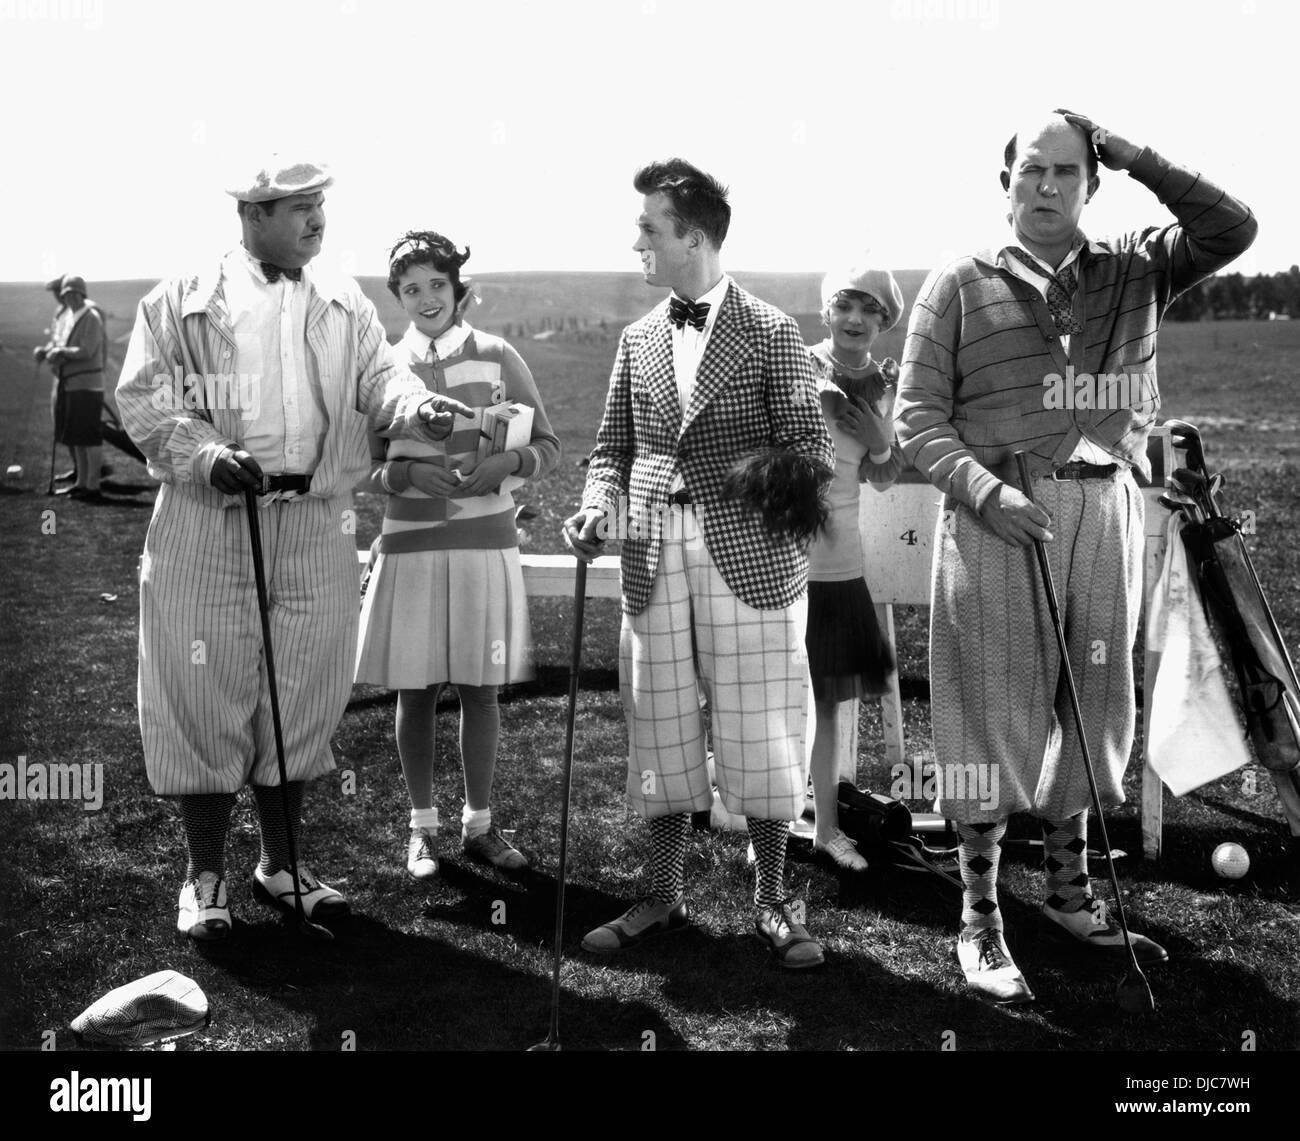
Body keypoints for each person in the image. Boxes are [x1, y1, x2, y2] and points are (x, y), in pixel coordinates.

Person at [895, 110, 1257, 1002]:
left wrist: (1133, 153)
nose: (1046, 186)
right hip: (995, 518)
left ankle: (1067, 892)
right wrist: (986, 492)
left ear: (1093, 185)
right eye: (1030, 171)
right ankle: (979, 920)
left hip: (1105, 508)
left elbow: (1232, 227)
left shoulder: (1135, 267)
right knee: (985, 717)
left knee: (1095, 710)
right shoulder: (959, 282)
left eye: (1067, 171)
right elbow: (914, 420)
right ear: (1005, 182)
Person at [116, 158, 473, 941]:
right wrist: (205, 452)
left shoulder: (342, 300)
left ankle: (283, 865)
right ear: (252, 212)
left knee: (304, 689)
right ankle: (203, 875)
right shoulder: (179, 301)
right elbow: (143, 396)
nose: (317, 220)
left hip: (316, 518)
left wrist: (420, 405)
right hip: (209, 514)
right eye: (299, 206)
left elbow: (382, 381)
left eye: (320, 205)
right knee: (197, 689)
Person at [563, 159, 835, 969]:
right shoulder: (638, 337)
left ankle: (774, 899)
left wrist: (727, 484)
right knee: (662, 730)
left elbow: (813, 449)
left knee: (761, 734)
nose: (636, 241)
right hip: (650, 556)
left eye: (649, 227)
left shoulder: (773, 331)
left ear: (696, 236)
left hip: (748, 555)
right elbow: (613, 450)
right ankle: (660, 893)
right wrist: (595, 510)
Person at [355, 230, 560, 878]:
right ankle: (421, 829)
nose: (425, 298)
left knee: (480, 689)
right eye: (410, 288)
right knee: (414, 693)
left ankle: (479, 824)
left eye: (436, 285)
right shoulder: (383, 366)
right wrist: (408, 478)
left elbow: (548, 445)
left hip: (484, 544)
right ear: (397, 298)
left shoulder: (499, 355)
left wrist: (507, 459)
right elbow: (358, 466)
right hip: (410, 545)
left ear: (457, 289)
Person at [803, 264, 905, 871]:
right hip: (779, 549)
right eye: (846, 306)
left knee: (824, 701)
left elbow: (884, 476)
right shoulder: (799, 362)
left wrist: (881, 437)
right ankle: (757, 811)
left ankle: (826, 832)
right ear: (828, 311)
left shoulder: (885, 384)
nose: (856, 321)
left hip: (838, 560)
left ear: (885, 321)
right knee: (768, 692)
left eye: (871, 311)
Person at [37, 275, 107, 500]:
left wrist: (62, 353)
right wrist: (54, 351)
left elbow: (87, 350)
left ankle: (93, 486)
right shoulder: (70, 317)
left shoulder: (91, 317)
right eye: (67, 294)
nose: (71, 298)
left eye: (74, 294)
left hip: (87, 385)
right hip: (73, 384)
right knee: (78, 436)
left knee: (88, 437)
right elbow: (64, 344)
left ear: (82, 294)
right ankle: (81, 483)